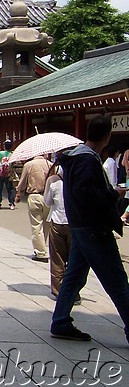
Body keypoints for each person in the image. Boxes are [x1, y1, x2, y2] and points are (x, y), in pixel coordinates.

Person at [50, 114, 129, 343]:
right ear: (107, 136)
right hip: (94, 227)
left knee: (74, 276)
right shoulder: (87, 160)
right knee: (116, 280)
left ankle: (61, 321)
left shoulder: (75, 157)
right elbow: (86, 193)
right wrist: (112, 194)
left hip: (79, 226)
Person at [44, 161, 78, 302]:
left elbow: (47, 201)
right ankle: (74, 292)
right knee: (74, 260)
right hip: (75, 223)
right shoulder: (78, 178)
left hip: (57, 221)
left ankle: (58, 290)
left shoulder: (53, 180)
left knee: (57, 258)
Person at [17, 153, 53, 262]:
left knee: (36, 225)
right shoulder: (51, 164)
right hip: (48, 195)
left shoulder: (29, 165)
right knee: (47, 224)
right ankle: (43, 246)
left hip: (34, 195)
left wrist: (19, 193)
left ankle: (40, 252)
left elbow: (22, 182)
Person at [0, 140, 17, 210]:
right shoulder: (12, 155)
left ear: (4, 146)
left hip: (0, 173)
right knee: (10, 189)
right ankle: (12, 203)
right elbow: (14, 163)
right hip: (9, 174)